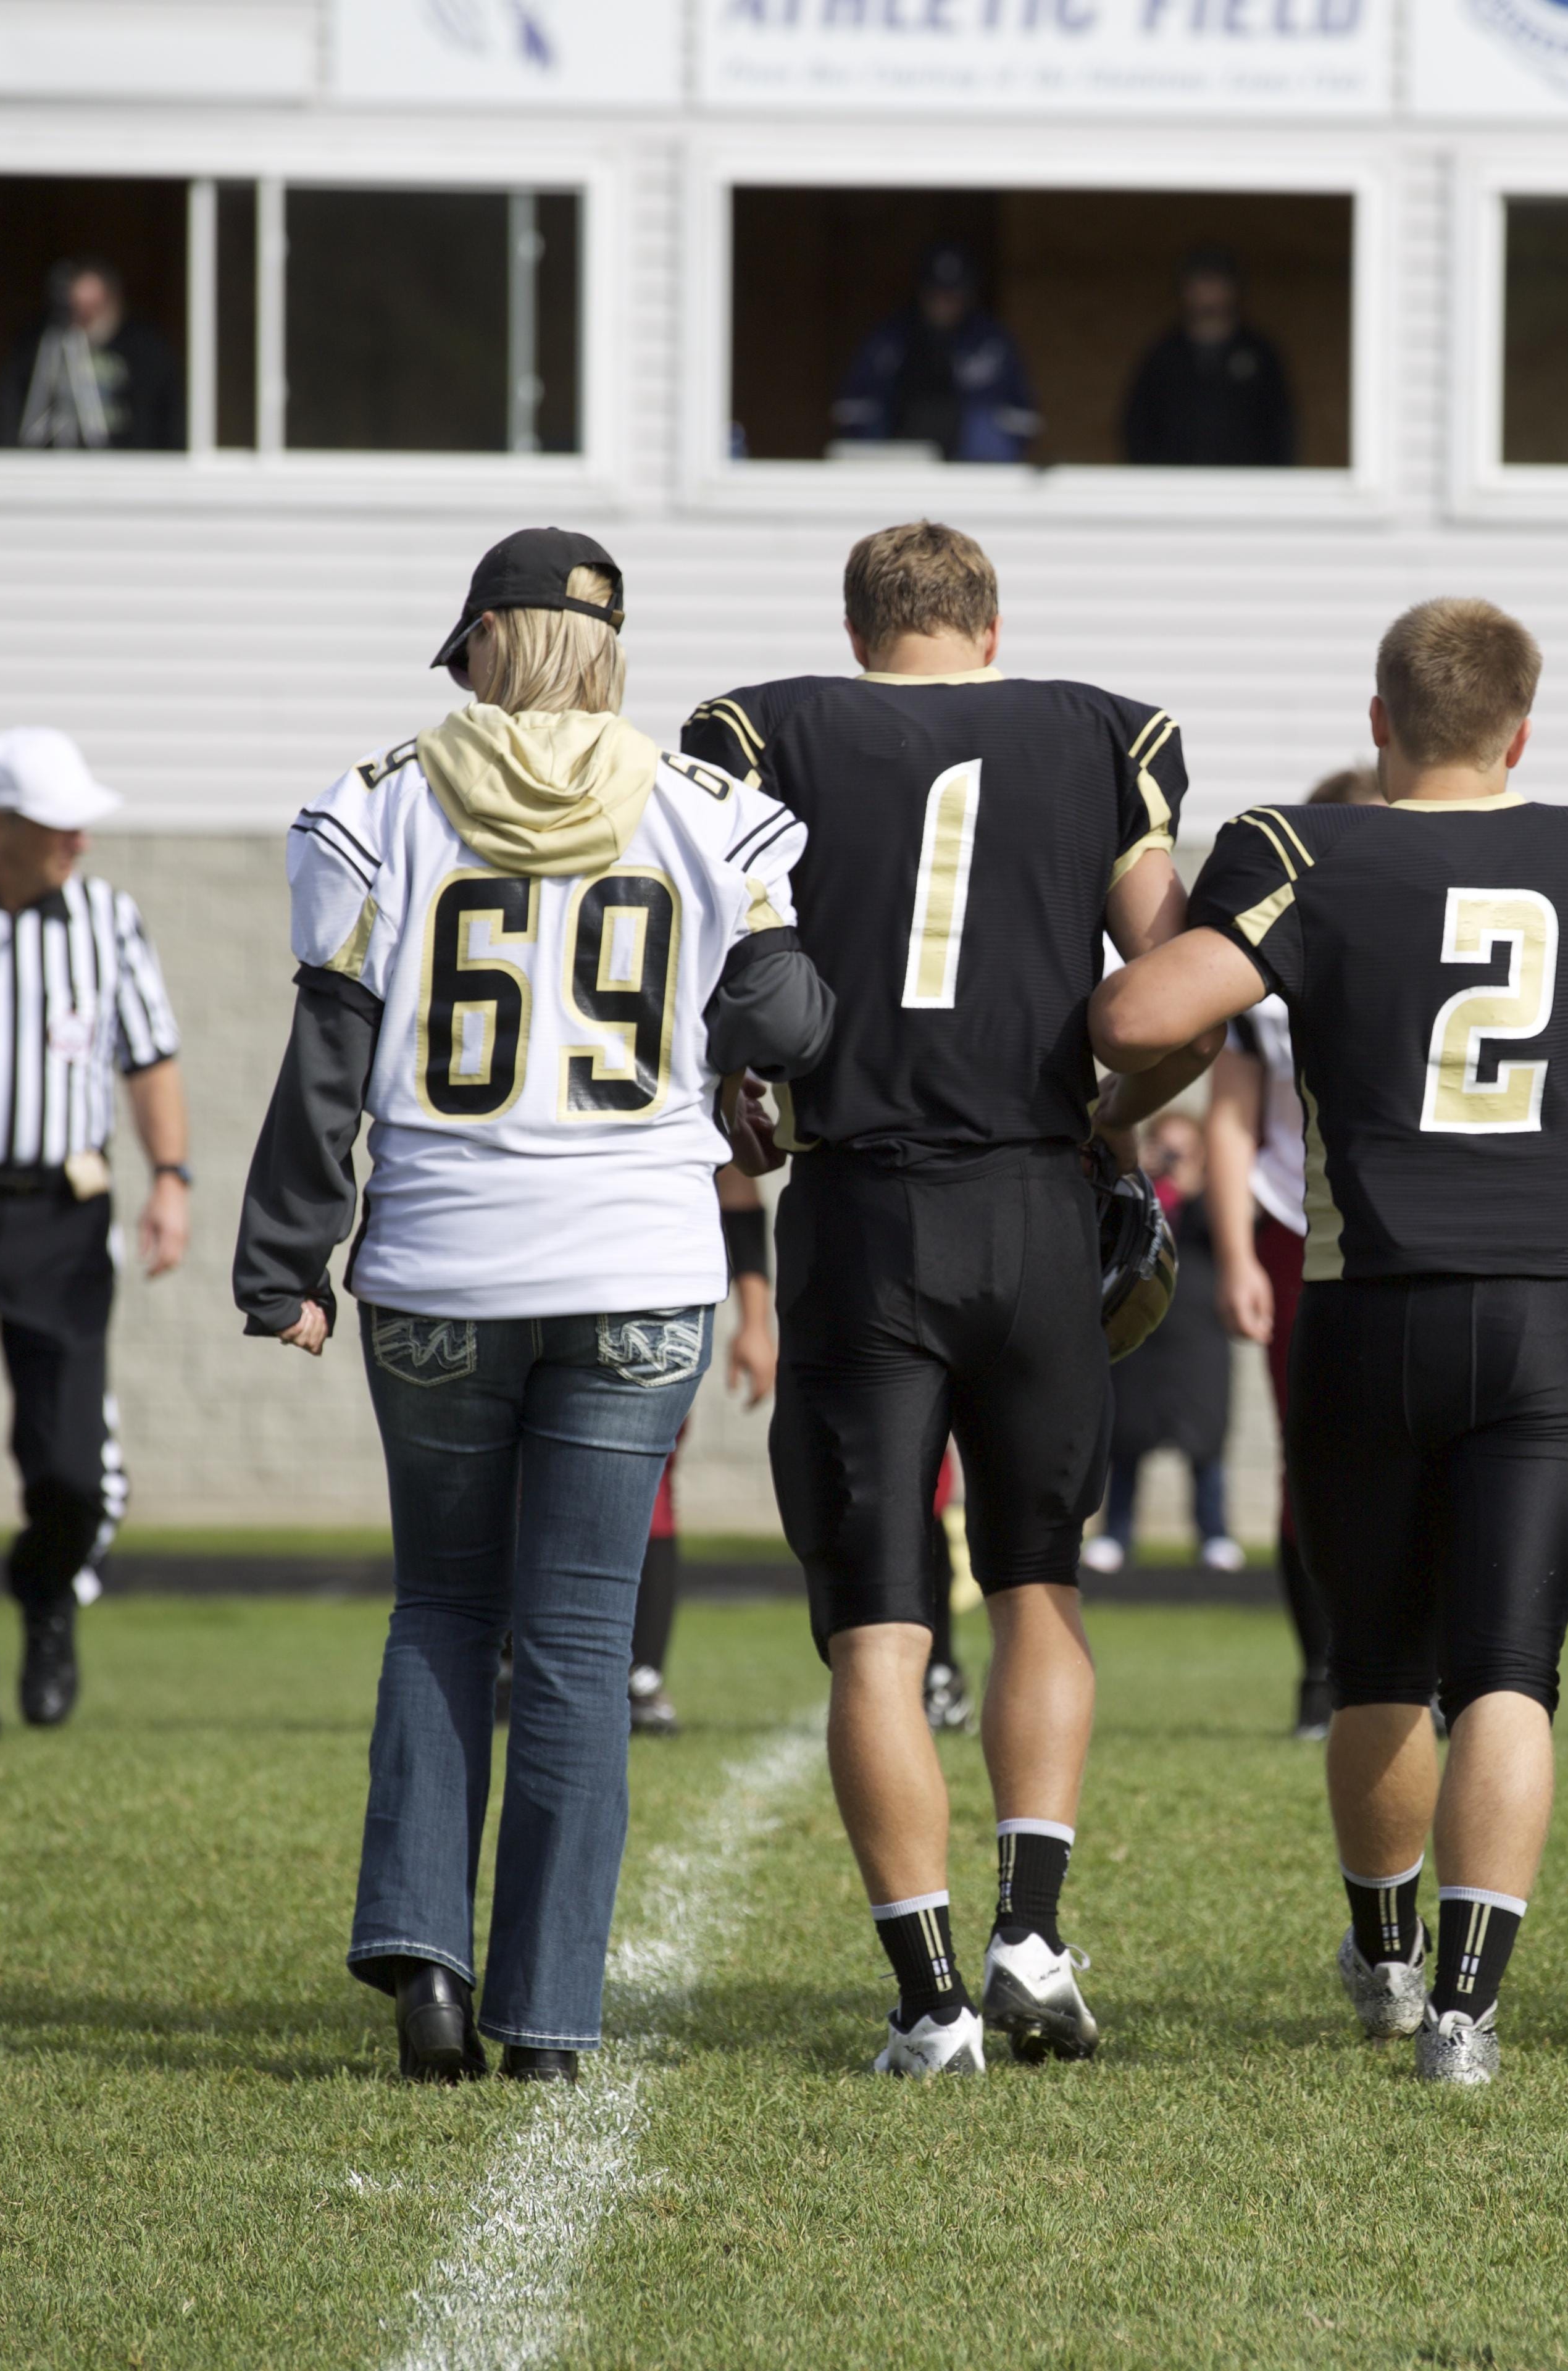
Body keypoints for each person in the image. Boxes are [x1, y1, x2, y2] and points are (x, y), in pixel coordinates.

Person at [1091, 597, 1568, 2085]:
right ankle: (1469, 2014)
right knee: (1507, 1674)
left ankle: (1388, 1955)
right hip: (1540, 1310)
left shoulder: (1306, 849)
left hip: (1365, 1305)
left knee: (1375, 1670)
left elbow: (1141, 1009)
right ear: (1521, 731)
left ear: (1379, 721)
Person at [233, 528, 832, 2085]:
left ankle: (427, 1963)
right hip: (637, 1260)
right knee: (576, 1636)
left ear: (490, 640)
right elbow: (784, 1007)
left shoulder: (374, 803)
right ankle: (550, 2020)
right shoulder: (710, 809)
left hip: (439, 1259)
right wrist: (738, 1054)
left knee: (443, 1604)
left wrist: (283, 1256)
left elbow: (325, 1057)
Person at [680, 519, 1196, 2077]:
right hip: (1039, 1201)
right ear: (990, 624)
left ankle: (928, 2000)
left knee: (877, 1631)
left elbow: (713, 950)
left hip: (865, 1207)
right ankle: (1031, 1932)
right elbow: (1175, 982)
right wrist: (1115, 1110)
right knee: (1041, 1583)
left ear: (860, 631)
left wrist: (735, 1084)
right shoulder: (1104, 730)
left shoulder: (760, 731)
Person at [0, 729, 186, 1739]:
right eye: (57, 826)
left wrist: (171, 1181)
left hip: (65, 1212)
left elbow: (149, 1058)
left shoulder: (107, 921)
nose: (78, 845)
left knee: (64, 1462)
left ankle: (47, 1595)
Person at [1204, 764, 1380, 1739]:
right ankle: (1322, 1670)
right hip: (1295, 1225)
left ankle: (1410, 1664)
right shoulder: (1269, 958)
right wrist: (1233, 1253)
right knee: (1311, 1454)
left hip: (1408, 1225)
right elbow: (1232, 1119)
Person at [626, 1163, 779, 1739]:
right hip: (628, 1289)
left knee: (646, 1479)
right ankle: (629, 1675)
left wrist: (756, 1322)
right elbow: (737, 1183)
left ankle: (638, 1671)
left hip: (638, 1292)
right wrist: (755, 1322)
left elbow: (735, 1182)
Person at [1083, 1113, 1238, 1576]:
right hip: (1138, 1338)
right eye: (1163, 1149)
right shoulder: (1134, 1199)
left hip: (1198, 1341)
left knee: (1205, 1442)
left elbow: (1234, 1237)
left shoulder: (1213, 1202)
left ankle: (1215, 1534)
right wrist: (1137, 1175)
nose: (1171, 1160)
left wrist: (1197, 1191)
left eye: (1182, 1150)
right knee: (1127, 1440)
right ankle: (1116, 1533)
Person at [836, 245, 1040, 464]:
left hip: (973, 471)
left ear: (969, 296)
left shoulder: (992, 343)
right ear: (921, 294)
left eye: (953, 296)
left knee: (983, 422)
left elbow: (1024, 419)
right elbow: (853, 412)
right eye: (936, 295)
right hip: (902, 464)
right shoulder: (891, 341)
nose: (944, 304)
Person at [1120, 249, 1296, 469]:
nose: (1208, 294)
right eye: (1200, 284)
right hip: (1175, 487)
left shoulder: (1259, 354)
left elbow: (1281, 428)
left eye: (1216, 284)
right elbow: (1138, 425)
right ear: (1184, 291)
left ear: (1234, 289)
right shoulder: (1163, 355)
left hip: (1245, 486)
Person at [0, 256, 182, 452]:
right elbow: (9, 407)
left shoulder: (144, 348)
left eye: (94, 307)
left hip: (125, 463)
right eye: (78, 308)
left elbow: (165, 414)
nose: (86, 317)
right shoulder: (41, 343)